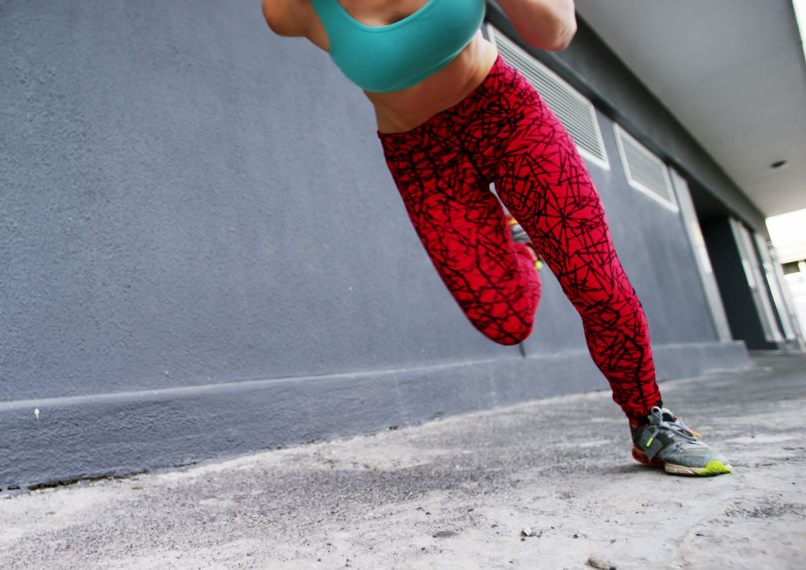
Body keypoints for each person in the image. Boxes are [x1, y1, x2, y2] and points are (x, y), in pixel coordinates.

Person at [261, 0, 731, 476]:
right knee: (506, 322)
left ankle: (650, 422)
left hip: (507, 117)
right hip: (423, 159)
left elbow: (555, 32)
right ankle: (521, 240)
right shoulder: (291, 8)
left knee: (596, 282)